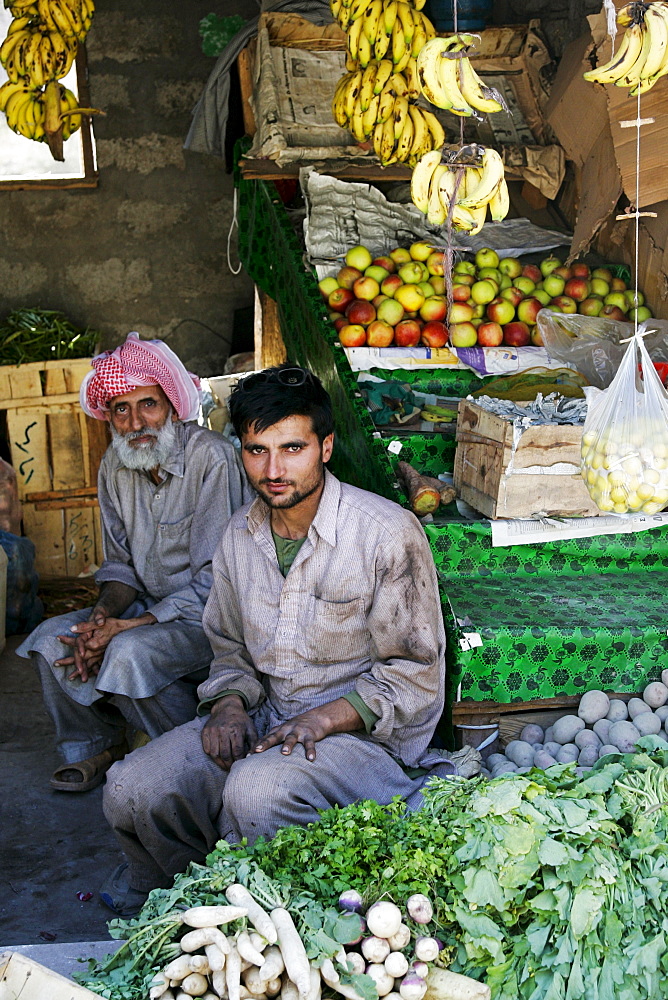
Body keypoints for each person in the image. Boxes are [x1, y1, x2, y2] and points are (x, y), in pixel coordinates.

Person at [101, 363, 473, 916]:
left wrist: (323, 719)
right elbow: (228, 647)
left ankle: (293, 917)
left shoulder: (386, 532)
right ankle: (187, 906)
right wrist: (228, 705)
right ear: (242, 451)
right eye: (256, 451)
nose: (273, 470)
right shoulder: (237, 538)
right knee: (132, 787)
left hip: (365, 744)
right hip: (266, 720)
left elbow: (414, 672)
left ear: (325, 447)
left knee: (255, 790)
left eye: (292, 448)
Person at [18, 333, 251, 793]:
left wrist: (131, 627)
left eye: (147, 404)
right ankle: (97, 748)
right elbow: (121, 567)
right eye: (120, 409)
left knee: (129, 653)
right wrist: (103, 617)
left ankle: (190, 760)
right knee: (52, 641)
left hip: (212, 619)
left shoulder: (213, 460)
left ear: (170, 405)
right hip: (145, 608)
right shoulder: (115, 465)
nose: (135, 421)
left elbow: (219, 583)